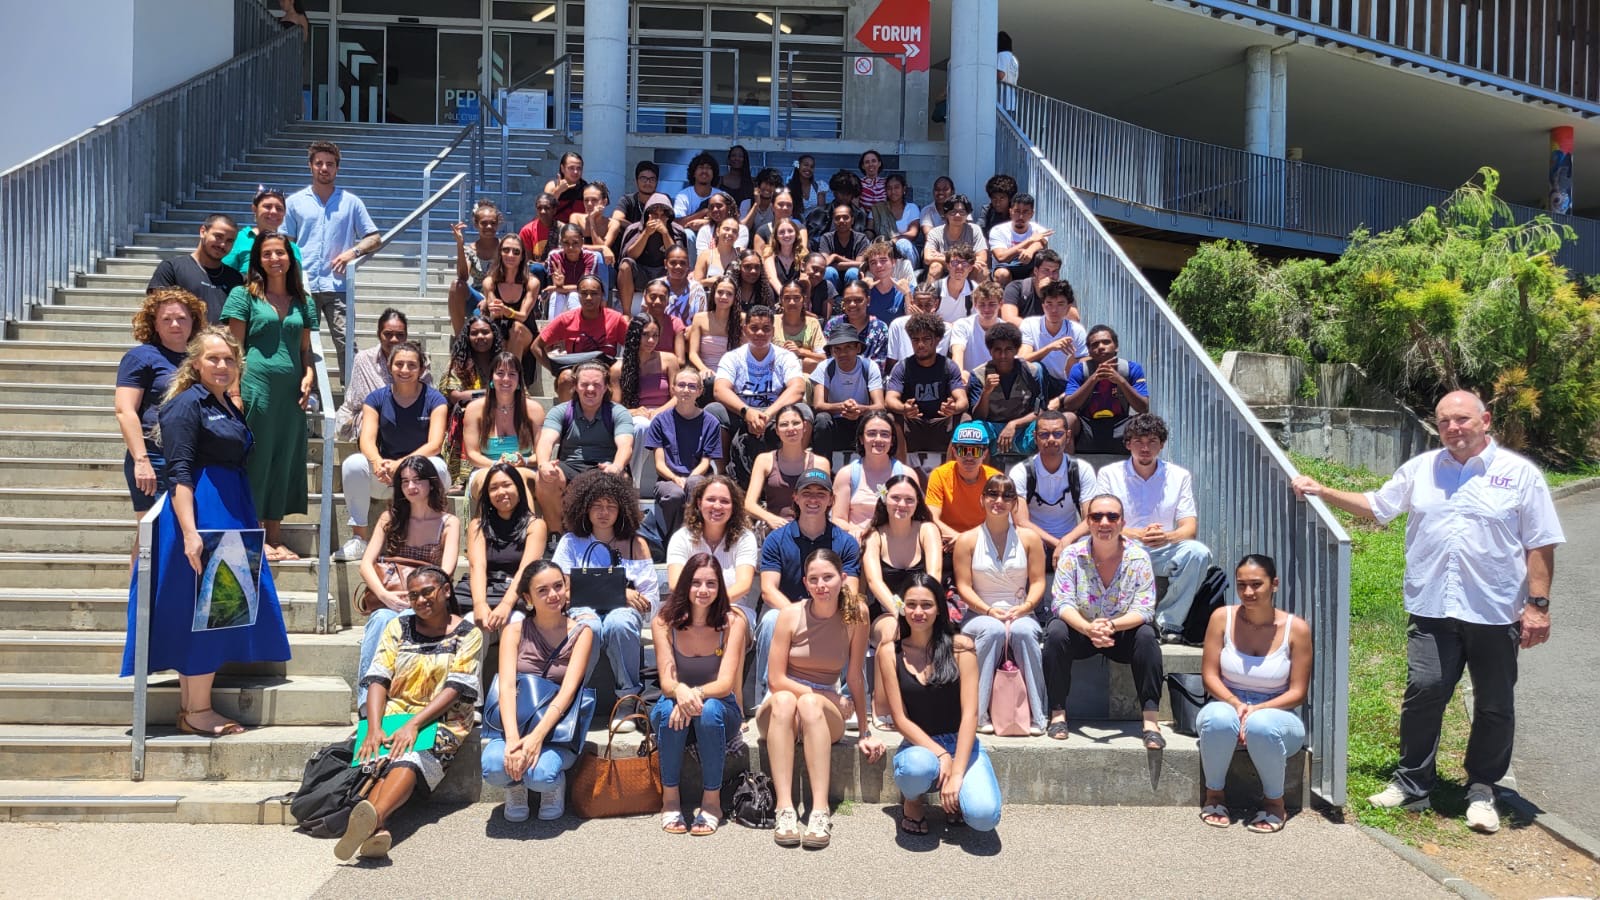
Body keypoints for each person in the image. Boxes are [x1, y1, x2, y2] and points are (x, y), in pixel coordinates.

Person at [1290, 390, 1564, 833]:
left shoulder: (1520, 475)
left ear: (1485, 421)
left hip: (1495, 610)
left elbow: (1541, 543)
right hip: (1433, 606)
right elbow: (1378, 506)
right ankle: (1413, 783)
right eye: (1444, 421)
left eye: (1462, 419)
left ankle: (1482, 787)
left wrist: (1538, 606)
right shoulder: (1421, 470)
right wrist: (1322, 490)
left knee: (1494, 703)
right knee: (1424, 691)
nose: (1453, 428)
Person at [118, 327, 290, 737]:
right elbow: (179, 472)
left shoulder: (225, 403)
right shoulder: (186, 404)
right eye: (213, 358)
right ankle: (197, 710)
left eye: (229, 359)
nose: (222, 365)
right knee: (206, 610)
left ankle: (191, 707)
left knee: (217, 610)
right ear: (195, 363)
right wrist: (191, 532)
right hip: (201, 513)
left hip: (230, 509)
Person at [342, 565, 481, 860]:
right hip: (395, 711)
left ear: (446, 590)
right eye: (413, 595)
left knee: (412, 756)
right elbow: (378, 677)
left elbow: (455, 688)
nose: (420, 600)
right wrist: (375, 727)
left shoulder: (468, 633)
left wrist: (414, 724)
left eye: (427, 592)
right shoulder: (398, 626)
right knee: (382, 759)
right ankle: (376, 829)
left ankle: (375, 818)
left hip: (445, 718)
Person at [759, 548, 886, 848]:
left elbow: (855, 676)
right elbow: (776, 679)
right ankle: (785, 809)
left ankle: (819, 810)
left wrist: (864, 731)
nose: (821, 585)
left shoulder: (857, 614)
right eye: (813, 579)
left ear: (842, 578)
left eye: (828, 577)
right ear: (805, 583)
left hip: (821, 709)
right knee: (788, 700)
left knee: (809, 703)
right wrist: (827, 693)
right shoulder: (790, 615)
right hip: (783, 704)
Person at [1196, 554, 1313, 833]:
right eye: (1241, 585)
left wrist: (1257, 710)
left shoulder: (1296, 629)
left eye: (1256, 584)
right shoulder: (1221, 618)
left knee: (1261, 725)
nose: (1248, 592)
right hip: (1228, 702)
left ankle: (1274, 803)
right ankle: (1215, 796)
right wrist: (1236, 703)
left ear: (1274, 584)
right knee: (1217, 719)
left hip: (1278, 713)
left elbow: (1298, 692)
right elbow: (1209, 676)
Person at [878, 572, 1001, 834]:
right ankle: (913, 801)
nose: (918, 612)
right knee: (916, 768)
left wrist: (957, 773)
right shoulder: (889, 652)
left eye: (926, 605)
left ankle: (956, 795)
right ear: (902, 607)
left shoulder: (961, 648)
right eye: (911, 604)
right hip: (919, 745)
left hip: (962, 742)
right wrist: (941, 754)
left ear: (938, 609)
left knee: (984, 817)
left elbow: (970, 714)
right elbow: (899, 719)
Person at [1043, 494, 1166, 748]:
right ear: (1088, 521)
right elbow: (1062, 603)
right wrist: (1087, 628)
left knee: (1146, 636)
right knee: (1055, 632)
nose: (1104, 522)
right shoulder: (1071, 555)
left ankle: (1151, 721)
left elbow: (1144, 608)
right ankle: (1057, 714)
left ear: (1122, 522)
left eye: (1112, 516)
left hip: (1121, 633)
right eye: (1097, 516)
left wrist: (1112, 625)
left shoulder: (1138, 557)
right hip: (1081, 630)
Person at [222, 231, 317, 562]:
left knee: (284, 460)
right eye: (267, 254)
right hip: (254, 388)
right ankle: (253, 536)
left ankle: (275, 538)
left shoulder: (303, 301)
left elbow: (305, 350)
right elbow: (233, 349)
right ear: (258, 260)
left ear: (290, 258)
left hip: (291, 395)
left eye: (281, 253)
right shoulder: (242, 295)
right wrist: (234, 392)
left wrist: (309, 374)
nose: (275, 259)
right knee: (257, 460)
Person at [480, 560, 595, 823]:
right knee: (493, 768)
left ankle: (553, 786)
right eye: (542, 590)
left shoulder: (581, 632)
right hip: (516, 721)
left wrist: (537, 737)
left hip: (557, 728)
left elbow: (568, 691)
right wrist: (513, 739)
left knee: (542, 776)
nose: (553, 595)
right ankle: (515, 786)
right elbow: (507, 686)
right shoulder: (514, 631)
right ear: (528, 598)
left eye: (558, 586)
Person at [550, 470, 660, 729]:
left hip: (623, 613)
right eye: (597, 505)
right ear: (585, 507)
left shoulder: (636, 544)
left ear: (622, 510)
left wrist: (623, 598)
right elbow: (561, 591)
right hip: (582, 609)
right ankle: (575, 696)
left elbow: (650, 599)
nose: (604, 512)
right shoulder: (570, 542)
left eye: (611, 506)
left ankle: (627, 700)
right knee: (590, 626)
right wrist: (618, 593)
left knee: (619, 623)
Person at [1094, 413, 1215, 642]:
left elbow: (1189, 528)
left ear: (1162, 445)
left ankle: (1167, 622)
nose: (1145, 448)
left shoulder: (1179, 476)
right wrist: (1137, 534)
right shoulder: (1109, 474)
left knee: (1198, 552)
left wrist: (1166, 537)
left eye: (1152, 442)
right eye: (1138, 441)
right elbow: (1100, 521)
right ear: (1128, 444)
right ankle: (1109, 617)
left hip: (1162, 549)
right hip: (1122, 547)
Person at [353, 456, 461, 712]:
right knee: (380, 619)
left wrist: (417, 598)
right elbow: (366, 563)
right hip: (390, 596)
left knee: (405, 619)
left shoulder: (448, 522)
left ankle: (402, 701)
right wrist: (384, 595)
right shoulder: (389, 518)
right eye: (405, 482)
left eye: (417, 480)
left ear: (431, 483)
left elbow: (446, 571)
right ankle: (367, 703)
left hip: (426, 599)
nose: (411, 487)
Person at [652, 553, 750, 835]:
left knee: (708, 710)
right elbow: (667, 682)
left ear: (720, 587)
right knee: (668, 711)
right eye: (696, 583)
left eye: (711, 583)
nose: (703, 590)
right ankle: (670, 800)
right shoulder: (664, 621)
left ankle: (712, 802)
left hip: (719, 710)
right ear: (685, 584)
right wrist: (680, 692)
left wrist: (690, 694)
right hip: (675, 703)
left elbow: (725, 684)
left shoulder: (733, 621)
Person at [954, 474, 1048, 736]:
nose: (999, 500)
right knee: (992, 630)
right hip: (978, 612)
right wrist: (987, 610)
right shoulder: (967, 540)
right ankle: (977, 713)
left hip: (1021, 610)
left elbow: (1038, 581)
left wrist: (1025, 606)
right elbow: (964, 586)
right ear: (982, 499)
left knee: (1024, 632)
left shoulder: (1030, 538)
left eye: (1007, 496)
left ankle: (1038, 714)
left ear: (1015, 503)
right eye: (993, 494)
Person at [338, 342, 450, 561]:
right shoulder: (376, 398)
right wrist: (377, 462)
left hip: (419, 476)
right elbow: (366, 440)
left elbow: (435, 444)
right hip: (386, 476)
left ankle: (431, 537)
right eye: (399, 364)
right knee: (353, 464)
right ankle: (359, 538)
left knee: (438, 466)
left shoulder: (435, 399)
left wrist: (401, 464)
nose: (405, 370)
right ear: (390, 367)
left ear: (421, 369)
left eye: (412, 365)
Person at [756, 470, 862, 699]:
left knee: (854, 615)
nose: (813, 499)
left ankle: (848, 696)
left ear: (831, 500)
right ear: (795, 497)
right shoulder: (776, 539)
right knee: (771, 619)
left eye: (821, 494)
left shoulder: (845, 542)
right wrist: (800, 617)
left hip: (831, 611)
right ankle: (768, 694)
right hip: (787, 612)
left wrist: (821, 616)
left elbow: (850, 590)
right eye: (807, 493)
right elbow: (768, 590)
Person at [115, 289, 205, 537]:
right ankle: (140, 568)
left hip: (191, 456)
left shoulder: (201, 359)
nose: (175, 324)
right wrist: (141, 461)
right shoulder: (140, 357)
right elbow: (125, 410)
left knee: (185, 533)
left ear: (193, 321)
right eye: (166, 319)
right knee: (151, 534)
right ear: (154, 323)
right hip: (154, 456)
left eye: (182, 318)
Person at [283, 140, 379, 369]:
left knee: (346, 342)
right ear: (310, 166)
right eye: (319, 163)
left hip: (338, 285)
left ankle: (351, 388)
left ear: (337, 168)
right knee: (301, 343)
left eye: (330, 164)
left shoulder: (351, 203)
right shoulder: (294, 203)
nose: (324, 168)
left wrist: (353, 252)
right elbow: (286, 242)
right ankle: (307, 387)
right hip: (303, 285)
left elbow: (375, 237)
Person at [860, 474, 942, 725]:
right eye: (896, 498)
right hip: (886, 612)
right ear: (884, 499)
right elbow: (874, 581)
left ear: (918, 502)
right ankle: (882, 704)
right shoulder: (874, 536)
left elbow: (934, 575)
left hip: (924, 609)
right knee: (893, 632)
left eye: (909, 499)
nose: (902, 505)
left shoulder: (927, 530)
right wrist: (901, 611)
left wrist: (918, 610)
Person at [708, 304, 808, 482]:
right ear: (745, 329)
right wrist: (747, 412)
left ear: (773, 331)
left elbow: (798, 388)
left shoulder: (785, 357)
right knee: (713, 411)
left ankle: (798, 469)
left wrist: (768, 414)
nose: (760, 333)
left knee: (804, 411)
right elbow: (719, 389)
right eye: (754, 328)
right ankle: (722, 475)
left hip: (775, 414)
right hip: (741, 413)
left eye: (766, 328)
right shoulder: (732, 357)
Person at [532, 361, 634, 527]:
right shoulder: (560, 411)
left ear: (606, 387)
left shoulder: (618, 412)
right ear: (575, 386)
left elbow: (625, 446)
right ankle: (556, 533)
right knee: (544, 478)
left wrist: (617, 466)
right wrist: (543, 464)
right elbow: (546, 441)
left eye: (596, 384)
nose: (590, 389)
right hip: (570, 466)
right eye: (584, 384)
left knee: (621, 477)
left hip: (604, 466)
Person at [455, 462, 548, 629]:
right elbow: (477, 566)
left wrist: (506, 605)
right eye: (494, 488)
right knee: (470, 623)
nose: (501, 492)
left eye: (507, 485)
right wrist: (479, 604)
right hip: (483, 590)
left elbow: (526, 569)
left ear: (519, 488)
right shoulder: (477, 525)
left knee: (514, 621)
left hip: (517, 591)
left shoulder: (535, 526)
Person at [643, 367, 723, 538]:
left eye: (692, 386)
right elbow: (659, 464)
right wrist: (675, 478)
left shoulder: (711, 422)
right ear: (673, 389)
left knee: (694, 486)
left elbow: (705, 462)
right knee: (674, 495)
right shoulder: (660, 421)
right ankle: (674, 541)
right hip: (668, 479)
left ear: (700, 391)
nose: (686, 390)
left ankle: (697, 537)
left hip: (698, 477)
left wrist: (689, 479)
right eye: (681, 385)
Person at [885, 313, 968, 473]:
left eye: (926, 339)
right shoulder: (903, 367)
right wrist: (904, 409)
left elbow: (963, 400)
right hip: (913, 425)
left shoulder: (949, 366)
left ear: (937, 340)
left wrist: (953, 408)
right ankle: (899, 474)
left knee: (964, 420)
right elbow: (889, 400)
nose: (920, 344)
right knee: (891, 418)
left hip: (940, 424)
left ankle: (951, 475)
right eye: (915, 340)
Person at [337, 309, 434, 443]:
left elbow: (427, 396)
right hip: (371, 416)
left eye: (400, 335)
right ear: (379, 334)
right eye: (388, 334)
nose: (394, 339)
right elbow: (359, 401)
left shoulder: (418, 360)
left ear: (406, 336)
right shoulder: (364, 359)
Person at [666, 477, 758, 617]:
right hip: (690, 607)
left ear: (733, 507)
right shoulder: (681, 537)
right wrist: (700, 610)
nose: (717, 506)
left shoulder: (745, 538)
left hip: (732, 608)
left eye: (724, 501)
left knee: (729, 621)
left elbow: (744, 584)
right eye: (711, 499)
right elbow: (675, 584)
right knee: (660, 622)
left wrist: (714, 606)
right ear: (699, 503)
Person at [461, 351, 547, 499]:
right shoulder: (474, 409)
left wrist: (525, 461)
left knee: (519, 480)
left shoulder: (534, 409)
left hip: (523, 468)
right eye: (500, 373)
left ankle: (527, 515)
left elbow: (542, 453)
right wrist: (496, 464)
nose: (506, 379)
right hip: (486, 467)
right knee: (491, 482)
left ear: (519, 380)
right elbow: (472, 454)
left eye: (512, 374)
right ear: (491, 378)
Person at [530, 275, 629, 404]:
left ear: (602, 295)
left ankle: (615, 413)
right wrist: (555, 369)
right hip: (575, 373)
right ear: (578, 295)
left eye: (594, 293)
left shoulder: (615, 319)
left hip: (606, 373)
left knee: (619, 368)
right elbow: (536, 346)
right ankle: (567, 415)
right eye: (584, 293)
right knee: (565, 377)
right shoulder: (566, 319)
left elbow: (633, 347)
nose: (589, 298)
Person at [1008, 409, 1094, 558]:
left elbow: (1090, 518)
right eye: (1044, 434)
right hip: (1034, 543)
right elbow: (1021, 521)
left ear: (1068, 436)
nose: (1051, 439)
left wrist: (1067, 542)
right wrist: (1058, 544)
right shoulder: (1021, 471)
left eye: (1058, 434)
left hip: (1072, 541)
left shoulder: (1082, 469)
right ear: (1035, 437)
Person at [966, 320, 1045, 471]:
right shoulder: (979, 374)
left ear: (1016, 350)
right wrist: (986, 392)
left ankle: (1041, 476)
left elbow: (1039, 411)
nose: (1003, 355)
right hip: (993, 430)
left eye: (1008, 349)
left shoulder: (1032, 372)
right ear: (990, 351)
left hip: (1022, 429)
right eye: (998, 350)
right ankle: (980, 476)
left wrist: (1013, 425)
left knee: (1045, 428)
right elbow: (978, 417)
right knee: (975, 430)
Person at [1061, 325, 1150, 457]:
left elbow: (1143, 407)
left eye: (1106, 342)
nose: (1101, 347)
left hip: (1121, 429)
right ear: (1089, 351)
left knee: (1145, 421)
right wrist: (1094, 379)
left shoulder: (1131, 369)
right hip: (1088, 429)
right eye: (1095, 344)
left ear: (1116, 347)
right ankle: (1068, 467)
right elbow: (1069, 405)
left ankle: (1141, 467)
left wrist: (1121, 381)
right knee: (1067, 419)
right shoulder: (1079, 370)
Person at [613, 313, 679, 485]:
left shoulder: (669, 360)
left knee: (647, 424)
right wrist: (634, 411)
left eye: (655, 335)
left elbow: (677, 396)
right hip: (637, 416)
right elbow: (615, 406)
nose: (651, 340)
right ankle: (633, 483)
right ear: (635, 335)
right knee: (642, 426)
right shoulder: (618, 368)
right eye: (645, 335)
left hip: (666, 412)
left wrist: (658, 411)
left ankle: (631, 484)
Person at [745, 404, 830, 535]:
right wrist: (770, 518)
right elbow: (749, 504)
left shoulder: (820, 463)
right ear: (777, 430)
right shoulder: (764, 460)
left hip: (810, 531)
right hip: (776, 531)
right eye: (784, 424)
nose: (791, 429)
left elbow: (826, 501)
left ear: (804, 427)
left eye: (796, 423)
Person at [438, 315, 501, 488]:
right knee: (470, 414)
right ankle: (462, 478)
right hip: (466, 417)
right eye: (474, 333)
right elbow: (455, 396)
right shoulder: (458, 364)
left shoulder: (503, 364)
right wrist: (492, 392)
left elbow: (520, 392)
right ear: (467, 337)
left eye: (485, 332)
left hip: (501, 415)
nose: (480, 336)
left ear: (494, 335)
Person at [809, 323, 885, 461]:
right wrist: (843, 406)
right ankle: (822, 468)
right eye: (837, 349)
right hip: (835, 425)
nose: (842, 353)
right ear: (832, 351)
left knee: (883, 419)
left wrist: (860, 409)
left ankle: (877, 465)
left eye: (848, 347)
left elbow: (879, 406)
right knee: (821, 420)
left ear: (858, 348)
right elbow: (819, 405)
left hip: (861, 423)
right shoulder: (825, 367)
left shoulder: (869, 366)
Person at [832, 411, 915, 538]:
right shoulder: (846, 475)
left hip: (894, 542)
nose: (878, 439)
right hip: (858, 540)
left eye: (884, 434)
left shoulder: (907, 474)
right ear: (861, 439)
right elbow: (837, 519)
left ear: (892, 440)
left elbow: (916, 518)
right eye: (871, 433)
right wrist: (856, 531)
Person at [147, 214, 241, 323]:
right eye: (218, 236)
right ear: (203, 231)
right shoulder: (171, 269)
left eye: (229, 241)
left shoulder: (235, 279)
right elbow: (156, 313)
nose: (222, 244)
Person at [926, 422, 1000, 548]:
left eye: (975, 451)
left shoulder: (996, 479)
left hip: (983, 543)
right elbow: (931, 517)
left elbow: (999, 521)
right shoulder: (939, 475)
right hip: (948, 543)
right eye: (963, 450)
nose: (969, 457)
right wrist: (961, 540)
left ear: (985, 453)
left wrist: (963, 541)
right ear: (954, 452)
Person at [1018, 277, 1087, 395]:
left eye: (1060, 304)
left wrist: (1073, 359)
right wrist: (1050, 347)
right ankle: (1039, 404)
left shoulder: (1077, 330)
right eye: (1049, 304)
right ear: (1043, 306)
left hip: (1065, 384)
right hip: (1038, 382)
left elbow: (1083, 366)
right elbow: (1022, 360)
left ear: (1068, 308)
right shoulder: (1029, 324)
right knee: (1037, 367)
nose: (1054, 310)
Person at [617, 197, 690, 309]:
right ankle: (626, 312)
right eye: (655, 215)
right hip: (641, 273)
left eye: (663, 215)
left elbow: (678, 257)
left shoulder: (677, 230)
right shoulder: (634, 229)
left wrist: (665, 234)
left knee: (677, 265)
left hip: (665, 274)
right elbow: (630, 255)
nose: (659, 219)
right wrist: (646, 233)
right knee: (625, 265)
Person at [448, 199, 505, 336]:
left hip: (501, 296)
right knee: (456, 285)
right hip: (477, 296)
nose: (489, 227)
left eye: (493, 223)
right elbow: (463, 277)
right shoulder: (470, 250)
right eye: (484, 223)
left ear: (498, 224)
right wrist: (460, 245)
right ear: (476, 224)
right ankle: (460, 339)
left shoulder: (505, 248)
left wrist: (489, 299)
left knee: (478, 315)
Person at [478, 234, 539, 361]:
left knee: (516, 329)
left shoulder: (531, 283)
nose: (510, 255)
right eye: (506, 250)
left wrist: (506, 310)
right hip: (500, 329)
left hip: (524, 332)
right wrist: (493, 309)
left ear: (522, 256)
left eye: (516, 252)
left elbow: (523, 316)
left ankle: (510, 370)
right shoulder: (489, 282)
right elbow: (495, 314)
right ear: (500, 253)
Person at [687, 277, 743, 403]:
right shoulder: (700, 318)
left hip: (732, 374)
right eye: (720, 292)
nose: (724, 297)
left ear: (735, 298)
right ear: (713, 294)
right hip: (706, 373)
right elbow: (693, 353)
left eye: (729, 294)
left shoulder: (742, 320)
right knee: (709, 382)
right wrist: (703, 369)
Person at [224, 188, 302, 277]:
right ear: (254, 209)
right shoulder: (238, 239)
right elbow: (224, 276)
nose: (274, 211)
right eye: (267, 206)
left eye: (279, 208)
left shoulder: (292, 247)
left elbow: (296, 282)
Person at [987, 193, 1052, 287]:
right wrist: (1029, 240)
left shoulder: (1039, 230)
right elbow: (1001, 257)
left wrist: (1030, 251)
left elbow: (1040, 243)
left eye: (1025, 212)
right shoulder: (998, 230)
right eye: (1017, 211)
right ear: (1010, 212)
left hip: (1029, 269)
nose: (1020, 216)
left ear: (1032, 214)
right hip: (1005, 268)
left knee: (1040, 273)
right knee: (1002, 274)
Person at [883, 281, 948, 372]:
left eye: (928, 305)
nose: (923, 310)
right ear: (912, 303)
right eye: (919, 305)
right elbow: (892, 362)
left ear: (936, 304)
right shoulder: (898, 325)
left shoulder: (946, 329)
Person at [543, 223, 604, 319]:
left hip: (581, 298)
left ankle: (578, 327)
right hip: (561, 297)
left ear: (582, 242)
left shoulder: (591, 257)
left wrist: (557, 288)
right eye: (566, 243)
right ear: (561, 242)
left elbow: (583, 288)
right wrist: (558, 284)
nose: (570, 247)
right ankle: (554, 327)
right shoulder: (554, 256)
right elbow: (557, 287)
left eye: (575, 243)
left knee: (574, 295)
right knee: (556, 295)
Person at [823, 281, 889, 367]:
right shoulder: (833, 325)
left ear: (868, 301)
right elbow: (826, 358)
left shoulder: (880, 328)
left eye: (858, 300)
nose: (852, 304)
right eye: (847, 300)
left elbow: (880, 364)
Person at [923, 197, 988, 284]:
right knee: (935, 266)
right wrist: (959, 260)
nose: (957, 215)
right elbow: (927, 258)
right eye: (953, 212)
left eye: (962, 212)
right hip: (945, 268)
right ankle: (929, 292)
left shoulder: (974, 230)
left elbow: (982, 258)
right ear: (946, 214)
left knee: (981, 269)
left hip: (966, 268)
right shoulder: (935, 232)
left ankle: (974, 292)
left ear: (967, 214)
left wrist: (944, 257)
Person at [949, 281, 1007, 377]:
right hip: (970, 380)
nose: (986, 309)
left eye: (992, 304)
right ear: (975, 305)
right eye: (982, 304)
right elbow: (958, 352)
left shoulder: (1007, 330)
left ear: (1001, 304)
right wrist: (960, 375)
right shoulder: (962, 325)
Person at [869, 175, 920, 273]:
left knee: (903, 243)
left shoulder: (911, 208)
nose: (893, 191)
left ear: (904, 189)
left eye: (896, 187)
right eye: (889, 188)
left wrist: (894, 241)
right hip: (882, 250)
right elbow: (869, 231)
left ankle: (908, 276)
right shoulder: (878, 210)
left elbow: (913, 233)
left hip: (907, 252)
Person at [571, 181, 620, 281]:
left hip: (602, 266)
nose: (589, 204)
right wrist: (602, 247)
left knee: (598, 256)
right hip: (579, 262)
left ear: (604, 202)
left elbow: (602, 252)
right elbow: (573, 246)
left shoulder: (612, 224)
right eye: (586, 200)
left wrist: (592, 220)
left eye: (594, 200)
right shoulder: (575, 218)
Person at [1001, 248, 1063, 324]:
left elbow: (1073, 320)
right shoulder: (1015, 288)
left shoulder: (1062, 291)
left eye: (1055, 271)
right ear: (1036, 271)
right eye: (1046, 270)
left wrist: (1052, 295)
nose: (1051, 276)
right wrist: (1038, 329)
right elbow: (1008, 319)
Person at [818, 201, 870, 292]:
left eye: (845, 217)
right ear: (833, 221)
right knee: (829, 271)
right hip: (833, 281)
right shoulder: (826, 238)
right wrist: (851, 263)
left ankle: (853, 298)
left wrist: (836, 257)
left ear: (852, 220)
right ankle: (831, 299)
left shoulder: (861, 239)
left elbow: (860, 265)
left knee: (852, 272)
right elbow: (824, 264)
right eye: (837, 218)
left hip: (853, 279)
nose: (841, 221)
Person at [775, 279, 824, 374]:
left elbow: (823, 357)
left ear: (804, 299)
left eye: (796, 298)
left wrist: (800, 351)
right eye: (787, 298)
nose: (792, 302)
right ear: (781, 300)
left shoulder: (813, 323)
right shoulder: (772, 322)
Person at [516, 192, 560, 288]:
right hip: (536, 274)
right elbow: (527, 261)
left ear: (554, 210)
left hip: (558, 271)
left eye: (547, 208)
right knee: (537, 268)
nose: (542, 211)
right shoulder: (527, 230)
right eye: (539, 208)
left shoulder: (562, 230)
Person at [860, 240, 908, 323]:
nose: (878, 265)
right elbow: (855, 318)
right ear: (869, 268)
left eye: (883, 260)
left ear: (893, 262)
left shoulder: (905, 289)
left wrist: (907, 294)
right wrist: (862, 291)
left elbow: (912, 322)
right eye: (873, 262)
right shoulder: (865, 289)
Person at [693, 191, 751, 259]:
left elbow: (735, 255)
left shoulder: (741, 230)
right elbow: (701, 257)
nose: (715, 209)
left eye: (719, 206)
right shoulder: (705, 230)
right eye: (711, 207)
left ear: (729, 208)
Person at [674, 152, 721, 231]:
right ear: (694, 173)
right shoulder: (683, 196)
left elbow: (728, 221)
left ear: (713, 174)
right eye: (701, 167)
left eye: (708, 168)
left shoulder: (721, 196)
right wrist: (704, 212)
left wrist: (706, 222)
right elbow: (677, 224)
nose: (704, 171)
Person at [762, 215, 806, 297]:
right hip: (777, 297)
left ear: (796, 234)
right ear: (776, 236)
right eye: (781, 232)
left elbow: (804, 280)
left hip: (797, 298)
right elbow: (772, 278)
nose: (786, 235)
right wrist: (785, 297)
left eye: (790, 231)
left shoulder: (802, 255)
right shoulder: (769, 254)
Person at [693, 217, 741, 289]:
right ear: (718, 231)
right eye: (726, 229)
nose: (730, 233)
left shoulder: (740, 255)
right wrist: (707, 282)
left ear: (737, 236)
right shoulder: (706, 255)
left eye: (734, 231)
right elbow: (694, 285)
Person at [543, 151, 588, 223]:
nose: (575, 172)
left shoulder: (586, 188)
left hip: (577, 228)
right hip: (555, 227)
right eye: (571, 168)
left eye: (579, 168)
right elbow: (544, 211)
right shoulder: (552, 186)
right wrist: (558, 191)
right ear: (562, 168)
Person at [741, 167, 785, 235]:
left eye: (771, 185)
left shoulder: (777, 206)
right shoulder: (746, 203)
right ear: (758, 184)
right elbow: (742, 230)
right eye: (765, 183)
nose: (768, 187)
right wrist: (756, 204)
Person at [996, 31, 1020, 112]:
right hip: (1012, 102)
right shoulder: (1014, 59)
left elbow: (1001, 75)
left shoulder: (1001, 55)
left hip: (1002, 100)